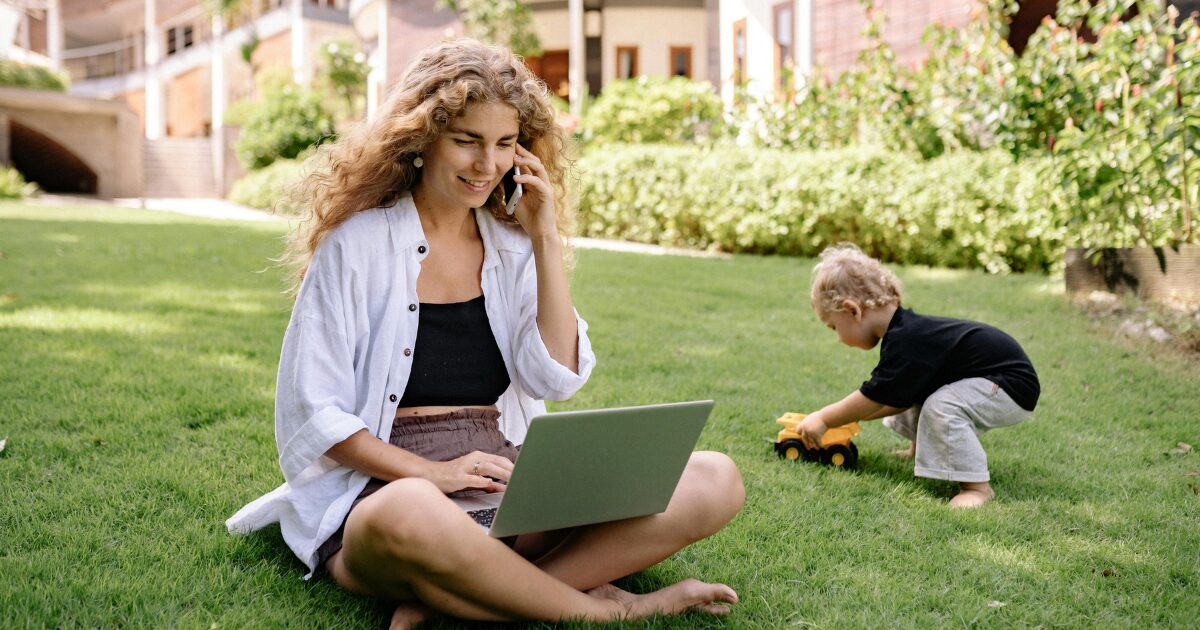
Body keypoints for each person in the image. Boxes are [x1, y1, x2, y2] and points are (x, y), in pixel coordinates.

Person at [225, 39, 744, 627]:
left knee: (714, 477)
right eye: (467, 141)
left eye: (504, 145)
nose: (486, 164)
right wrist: (433, 474)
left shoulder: (513, 246)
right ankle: (599, 611)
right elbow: (315, 415)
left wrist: (546, 239)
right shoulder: (357, 245)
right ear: (422, 139)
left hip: (503, 483)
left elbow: (554, 377)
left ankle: (458, 598)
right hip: (385, 491)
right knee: (414, 512)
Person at [795, 243, 1039, 508]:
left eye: (834, 327)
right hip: (992, 378)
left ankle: (977, 489)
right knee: (917, 390)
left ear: (853, 310)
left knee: (942, 404)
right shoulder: (902, 336)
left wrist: (824, 418)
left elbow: (874, 396)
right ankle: (919, 449)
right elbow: (895, 398)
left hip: (1010, 384)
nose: (838, 338)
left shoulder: (907, 339)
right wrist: (843, 418)